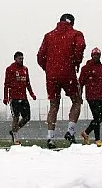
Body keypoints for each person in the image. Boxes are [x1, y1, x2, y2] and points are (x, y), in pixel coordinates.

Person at [37, 13, 86, 148]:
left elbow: (40, 56)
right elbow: (80, 47)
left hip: (52, 75)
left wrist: (48, 68)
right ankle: (70, 131)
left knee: (54, 105)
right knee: (76, 101)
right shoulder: (76, 34)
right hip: (68, 72)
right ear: (72, 23)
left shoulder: (49, 36)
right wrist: (76, 62)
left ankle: (50, 138)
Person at [78, 48, 102, 147]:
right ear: (92, 55)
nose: (96, 56)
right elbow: (80, 83)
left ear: (100, 56)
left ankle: (86, 133)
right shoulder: (85, 68)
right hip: (91, 97)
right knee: (97, 117)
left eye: (98, 55)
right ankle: (97, 139)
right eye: (94, 55)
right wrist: (79, 96)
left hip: (100, 96)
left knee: (100, 118)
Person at [3, 51, 37, 145]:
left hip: (24, 97)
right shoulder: (10, 69)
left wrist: (32, 94)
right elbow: (6, 84)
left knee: (27, 117)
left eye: (22, 58)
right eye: (19, 58)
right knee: (16, 117)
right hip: (14, 98)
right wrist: (6, 97)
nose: (21, 60)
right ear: (15, 59)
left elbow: (28, 83)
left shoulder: (25, 69)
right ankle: (15, 137)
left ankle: (14, 130)